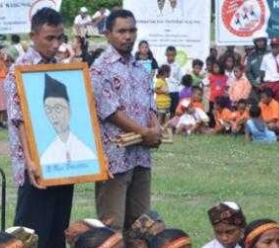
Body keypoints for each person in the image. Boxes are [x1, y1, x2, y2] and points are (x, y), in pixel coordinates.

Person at [5, 8, 73, 248]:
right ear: (33, 35)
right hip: (34, 167)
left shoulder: (62, 68)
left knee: (58, 229)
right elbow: (18, 119)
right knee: (32, 231)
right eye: (49, 38)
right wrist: (31, 161)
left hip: (62, 163)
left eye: (59, 38)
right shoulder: (19, 69)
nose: (55, 45)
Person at [91, 9, 161, 232]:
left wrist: (156, 130)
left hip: (141, 157)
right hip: (114, 159)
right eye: (121, 31)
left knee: (142, 226)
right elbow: (111, 112)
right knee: (112, 226)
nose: (128, 36)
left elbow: (151, 107)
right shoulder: (100, 69)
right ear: (108, 33)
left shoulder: (141, 69)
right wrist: (145, 132)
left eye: (132, 31)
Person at [38, 75, 96, 165]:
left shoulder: (86, 150)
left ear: (69, 109)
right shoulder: (46, 156)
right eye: (48, 110)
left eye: (58, 108)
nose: (53, 115)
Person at [163, 46, 183, 113]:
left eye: (172, 55)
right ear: (166, 54)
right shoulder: (162, 65)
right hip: (165, 92)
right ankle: (163, 123)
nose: (170, 57)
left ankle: (172, 123)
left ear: (175, 55)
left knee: (173, 111)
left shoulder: (177, 66)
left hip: (174, 92)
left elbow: (180, 80)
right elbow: (159, 78)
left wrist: (175, 84)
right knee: (163, 112)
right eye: (169, 55)